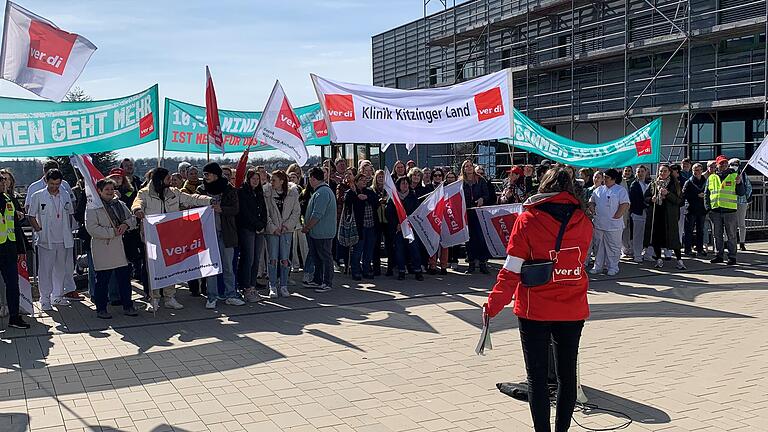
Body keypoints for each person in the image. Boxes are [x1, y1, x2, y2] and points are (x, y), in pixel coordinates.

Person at [484, 165, 592, 432]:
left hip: (535, 308)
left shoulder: (528, 219)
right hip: (572, 306)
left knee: (537, 379)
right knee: (567, 377)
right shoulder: (584, 219)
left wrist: (493, 305)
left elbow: (511, 270)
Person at [132, 167, 212, 311]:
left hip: (171, 237)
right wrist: (137, 210)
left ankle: (170, 297)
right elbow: (137, 203)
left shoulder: (174, 193)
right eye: (167, 178)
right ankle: (154, 298)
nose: (170, 181)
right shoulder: (144, 193)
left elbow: (192, 198)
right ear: (159, 179)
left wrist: (209, 200)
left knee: (171, 267)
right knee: (154, 268)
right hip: (152, 238)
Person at [86, 179, 139, 319]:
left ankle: (128, 306)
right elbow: (92, 228)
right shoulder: (92, 207)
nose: (109, 192)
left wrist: (126, 225)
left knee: (124, 280)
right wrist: (112, 232)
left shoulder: (120, 204)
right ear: (99, 191)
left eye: (111, 189)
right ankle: (101, 308)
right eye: (106, 189)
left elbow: (132, 219)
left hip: (120, 248)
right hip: (103, 248)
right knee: (102, 281)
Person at [27, 168, 79, 310]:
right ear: (46, 181)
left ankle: (57, 295)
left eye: (57, 184)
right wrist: (39, 230)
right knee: (45, 270)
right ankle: (45, 299)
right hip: (46, 240)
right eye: (52, 184)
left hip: (63, 238)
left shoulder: (65, 195)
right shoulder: (37, 195)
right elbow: (31, 215)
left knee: (61, 269)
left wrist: (68, 231)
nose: (54, 187)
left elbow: (70, 213)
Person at [197, 163, 243, 308]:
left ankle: (230, 294)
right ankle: (212, 296)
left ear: (215, 175)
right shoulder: (201, 190)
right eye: (204, 174)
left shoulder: (229, 189)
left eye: (208, 174)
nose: (205, 177)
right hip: (209, 233)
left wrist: (221, 209)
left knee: (228, 266)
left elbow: (235, 209)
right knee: (211, 266)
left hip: (226, 232)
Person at [263, 170, 301, 298]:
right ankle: (272, 285)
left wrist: (287, 226)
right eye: (271, 180)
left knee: (285, 259)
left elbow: (296, 212)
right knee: (273, 258)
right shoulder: (267, 193)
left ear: (282, 181)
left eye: (274, 180)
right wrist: (273, 227)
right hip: (273, 231)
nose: (271, 182)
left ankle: (284, 285)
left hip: (286, 231)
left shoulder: (292, 193)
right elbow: (265, 213)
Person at [0, 171, 30, 328]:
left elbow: (15, 227)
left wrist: (20, 249)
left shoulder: (9, 199)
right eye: (1, 181)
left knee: (13, 284)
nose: (3, 183)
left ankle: (14, 317)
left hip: (9, 249)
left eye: (4, 181)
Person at [588, 169, 629, 276]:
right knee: (598, 246)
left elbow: (625, 204)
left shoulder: (620, 190)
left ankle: (613, 267)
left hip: (614, 225)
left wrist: (617, 215)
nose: (604, 179)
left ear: (613, 179)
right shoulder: (598, 190)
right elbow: (591, 201)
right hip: (599, 223)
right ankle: (598, 266)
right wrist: (593, 209)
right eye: (604, 177)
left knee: (613, 246)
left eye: (606, 177)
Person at [302, 167, 337, 293]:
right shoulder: (321, 191)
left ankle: (327, 282)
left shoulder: (322, 192)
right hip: (318, 233)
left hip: (322, 233)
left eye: (310, 179)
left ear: (313, 178)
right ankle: (318, 280)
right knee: (318, 257)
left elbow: (317, 214)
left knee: (325, 257)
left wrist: (307, 227)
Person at [644, 164, 686, 270]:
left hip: (670, 216)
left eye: (665, 171)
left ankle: (679, 260)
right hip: (656, 214)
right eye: (661, 171)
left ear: (669, 172)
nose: (662, 173)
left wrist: (668, 194)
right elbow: (645, 197)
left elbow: (679, 201)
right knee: (656, 238)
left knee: (673, 238)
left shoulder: (675, 184)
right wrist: (651, 199)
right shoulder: (654, 184)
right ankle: (658, 259)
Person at [705, 155, 745, 264]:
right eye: (721, 163)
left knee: (731, 235)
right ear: (717, 165)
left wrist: (740, 183)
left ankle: (732, 257)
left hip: (730, 210)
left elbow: (741, 193)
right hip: (716, 211)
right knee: (717, 235)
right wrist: (708, 208)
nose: (723, 165)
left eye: (725, 163)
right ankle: (719, 255)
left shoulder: (734, 176)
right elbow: (707, 194)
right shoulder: (711, 177)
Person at [237, 170, 267, 302]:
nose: (255, 181)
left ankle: (252, 286)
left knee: (256, 259)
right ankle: (246, 287)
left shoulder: (259, 193)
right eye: (253, 178)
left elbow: (264, 210)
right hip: (247, 229)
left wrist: (263, 224)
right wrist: (257, 225)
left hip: (259, 229)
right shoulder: (243, 192)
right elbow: (245, 212)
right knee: (248, 259)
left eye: (257, 179)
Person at [386, 177, 424, 281]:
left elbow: (417, 212)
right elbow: (389, 213)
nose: (405, 185)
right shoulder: (394, 198)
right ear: (399, 185)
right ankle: (401, 271)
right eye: (403, 184)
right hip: (398, 229)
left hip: (411, 228)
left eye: (407, 183)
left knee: (415, 249)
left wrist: (410, 222)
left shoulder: (413, 197)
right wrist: (396, 224)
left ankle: (417, 271)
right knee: (399, 250)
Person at [345, 173, 379, 281]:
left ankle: (367, 269)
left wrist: (367, 197)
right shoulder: (351, 192)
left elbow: (376, 201)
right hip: (359, 226)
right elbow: (347, 202)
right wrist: (356, 196)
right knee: (358, 249)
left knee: (369, 250)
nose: (364, 182)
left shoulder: (370, 192)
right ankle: (355, 270)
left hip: (371, 225)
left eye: (365, 180)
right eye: (361, 180)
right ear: (356, 181)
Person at [461, 159, 490, 274]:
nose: (469, 168)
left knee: (481, 238)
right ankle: (471, 263)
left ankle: (483, 263)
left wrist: (482, 199)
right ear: (463, 169)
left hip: (479, 212)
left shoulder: (480, 180)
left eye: (470, 166)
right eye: (466, 166)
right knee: (469, 239)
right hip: (467, 213)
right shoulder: (461, 182)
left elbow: (487, 194)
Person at [682, 163, 707, 257]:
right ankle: (688, 249)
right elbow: (684, 195)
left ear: (702, 170)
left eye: (699, 170)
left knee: (701, 230)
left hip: (702, 209)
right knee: (689, 231)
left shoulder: (705, 181)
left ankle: (700, 249)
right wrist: (696, 195)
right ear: (692, 171)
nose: (697, 172)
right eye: (695, 170)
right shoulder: (688, 182)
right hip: (691, 209)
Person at [629, 165, 652, 262]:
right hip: (638, 212)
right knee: (638, 235)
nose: (641, 173)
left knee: (649, 234)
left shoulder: (650, 184)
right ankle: (637, 255)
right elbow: (634, 200)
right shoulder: (634, 185)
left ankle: (648, 254)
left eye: (642, 171)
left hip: (648, 213)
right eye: (639, 172)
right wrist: (645, 204)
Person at [371, 170, 391, 276]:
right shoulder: (372, 190)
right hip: (376, 221)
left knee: (389, 244)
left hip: (387, 221)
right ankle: (376, 268)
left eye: (383, 177)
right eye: (379, 177)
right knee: (376, 245)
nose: (381, 179)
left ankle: (390, 268)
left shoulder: (389, 190)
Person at [729, 158, 752, 251]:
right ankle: (728, 242)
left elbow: (748, 187)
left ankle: (742, 242)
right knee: (729, 224)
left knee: (741, 224)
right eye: (732, 164)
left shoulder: (743, 175)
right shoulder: (727, 174)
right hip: (729, 201)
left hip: (741, 202)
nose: (734, 166)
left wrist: (747, 200)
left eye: (736, 164)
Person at [288, 172, 309, 272]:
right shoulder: (287, 190)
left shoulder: (301, 189)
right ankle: (295, 265)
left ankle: (307, 263)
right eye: (290, 177)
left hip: (300, 220)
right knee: (293, 245)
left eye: (294, 177)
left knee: (304, 244)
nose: (292, 179)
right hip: (291, 221)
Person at [620, 166, 635, 258]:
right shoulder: (620, 181)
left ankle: (631, 248)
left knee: (630, 230)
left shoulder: (634, 181)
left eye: (629, 171)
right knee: (623, 228)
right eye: (626, 171)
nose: (627, 172)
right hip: (624, 209)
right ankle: (624, 249)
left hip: (633, 209)